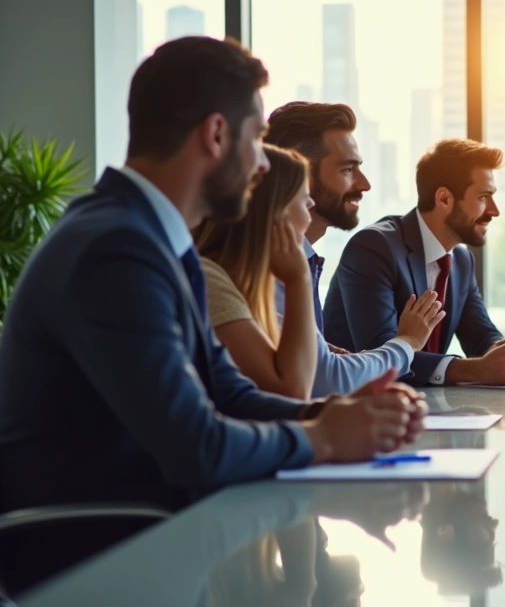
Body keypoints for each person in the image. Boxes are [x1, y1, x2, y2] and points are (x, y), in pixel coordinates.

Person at [0, 36, 427, 517]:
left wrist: (328, 414)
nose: (264, 164)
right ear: (216, 135)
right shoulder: (115, 248)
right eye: (256, 140)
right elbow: (195, 445)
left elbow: (230, 393)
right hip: (95, 554)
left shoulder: (154, 238)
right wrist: (324, 438)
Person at [193, 144, 446, 399]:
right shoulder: (212, 281)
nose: (312, 206)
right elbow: (318, 381)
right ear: (275, 213)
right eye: (304, 199)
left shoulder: (247, 287)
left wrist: (316, 350)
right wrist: (407, 343)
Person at [324, 138, 505, 386]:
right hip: (354, 408)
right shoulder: (374, 247)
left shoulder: (461, 260)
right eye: (484, 197)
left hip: (424, 406)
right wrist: (475, 370)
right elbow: (382, 355)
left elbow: (480, 336)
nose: (494, 211)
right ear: (444, 199)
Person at [263, 102, 436, 398]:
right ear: (299, 176)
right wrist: (407, 341)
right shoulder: (270, 269)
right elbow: (327, 379)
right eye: (347, 169)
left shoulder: (299, 261)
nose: (365, 184)